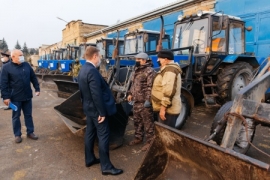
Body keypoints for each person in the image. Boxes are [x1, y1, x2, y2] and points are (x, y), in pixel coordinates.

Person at [78, 46, 123, 176]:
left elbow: (82, 92)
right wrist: (102, 113)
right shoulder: (92, 71)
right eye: (99, 56)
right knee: (103, 136)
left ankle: (90, 158)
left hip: (89, 109)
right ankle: (106, 167)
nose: (100, 59)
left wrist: (86, 106)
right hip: (97, 111)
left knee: (90, 134)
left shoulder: (83, 69)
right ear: (95, 56)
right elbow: (96, 94)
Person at [1, 49, 40, 143]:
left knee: (28, 115)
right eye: (20, 55)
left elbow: (33, 77)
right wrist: (5, 97)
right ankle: (17, 135)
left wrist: (37, 88)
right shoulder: (6, 68)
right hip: (15, 98)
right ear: (13, 56)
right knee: (16, 117)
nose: (22, 57)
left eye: (22, 55)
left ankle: (30, 132)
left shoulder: (26, 65)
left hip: (27, 96)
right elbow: (3, 84)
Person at [127, 52, 156, 151]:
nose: (136, 61)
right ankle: (138, 138)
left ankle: (150, 142)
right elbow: (133, 84)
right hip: (136, 101)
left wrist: (148, 100)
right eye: (136, 60)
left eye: (138, 60)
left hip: (144, 102)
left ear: (144, 60)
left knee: (148, 123)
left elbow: (150, 87)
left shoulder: (149, 71)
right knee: (137, 121)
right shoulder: (136, 70)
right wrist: (130, 93)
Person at [151, 50, 182, 128]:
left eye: (159, 59)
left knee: (166, 135)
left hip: (168, 110)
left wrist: (163, 109)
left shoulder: (170, 70)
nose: (158, 60)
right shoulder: (167, 69)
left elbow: (169, 91)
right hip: (166, 109)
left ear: (165, 59)